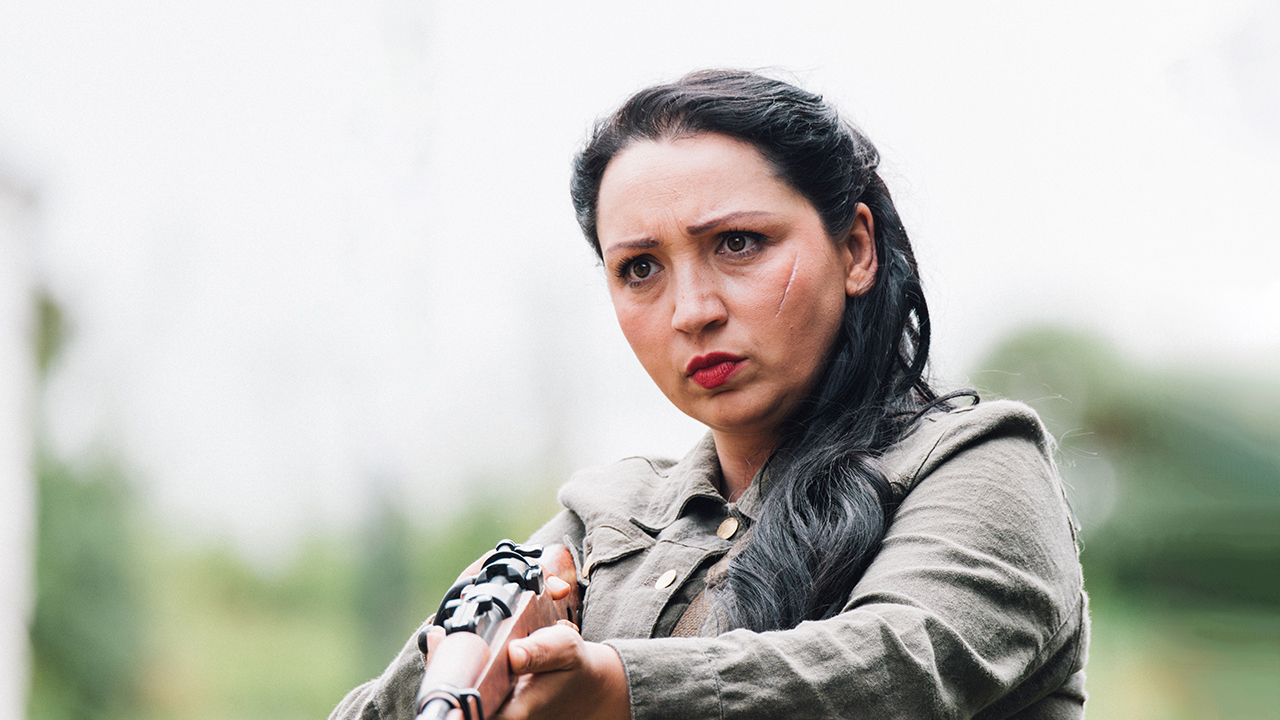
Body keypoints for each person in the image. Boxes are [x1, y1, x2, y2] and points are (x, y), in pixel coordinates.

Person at [331, 69, 1089, 720]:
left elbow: (898, 665)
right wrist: (473, 652)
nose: (691, 309)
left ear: (855, 248)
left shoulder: (976, 460)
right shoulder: (603, 519)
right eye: (640, 269)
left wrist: (620, 688)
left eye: (737, 244)